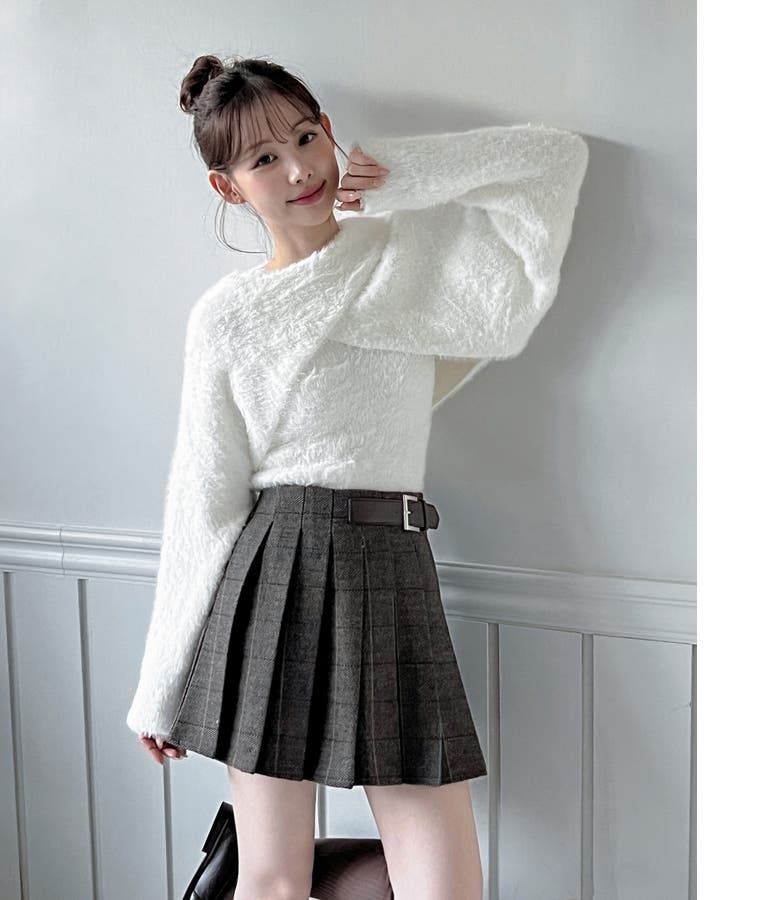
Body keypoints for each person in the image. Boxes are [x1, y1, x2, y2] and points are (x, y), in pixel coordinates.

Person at [126, 53, 589, 900]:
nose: (299, 169)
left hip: (394, 565)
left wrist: (410, 175)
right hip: (275, 570)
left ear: (331, 133)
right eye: (264, 158)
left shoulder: (404, 258)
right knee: (273, 880)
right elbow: (203, 498)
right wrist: (161, 686)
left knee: (444, 887)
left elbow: (554, 163)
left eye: (308, 137)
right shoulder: (227, 317)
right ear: (229, 186)